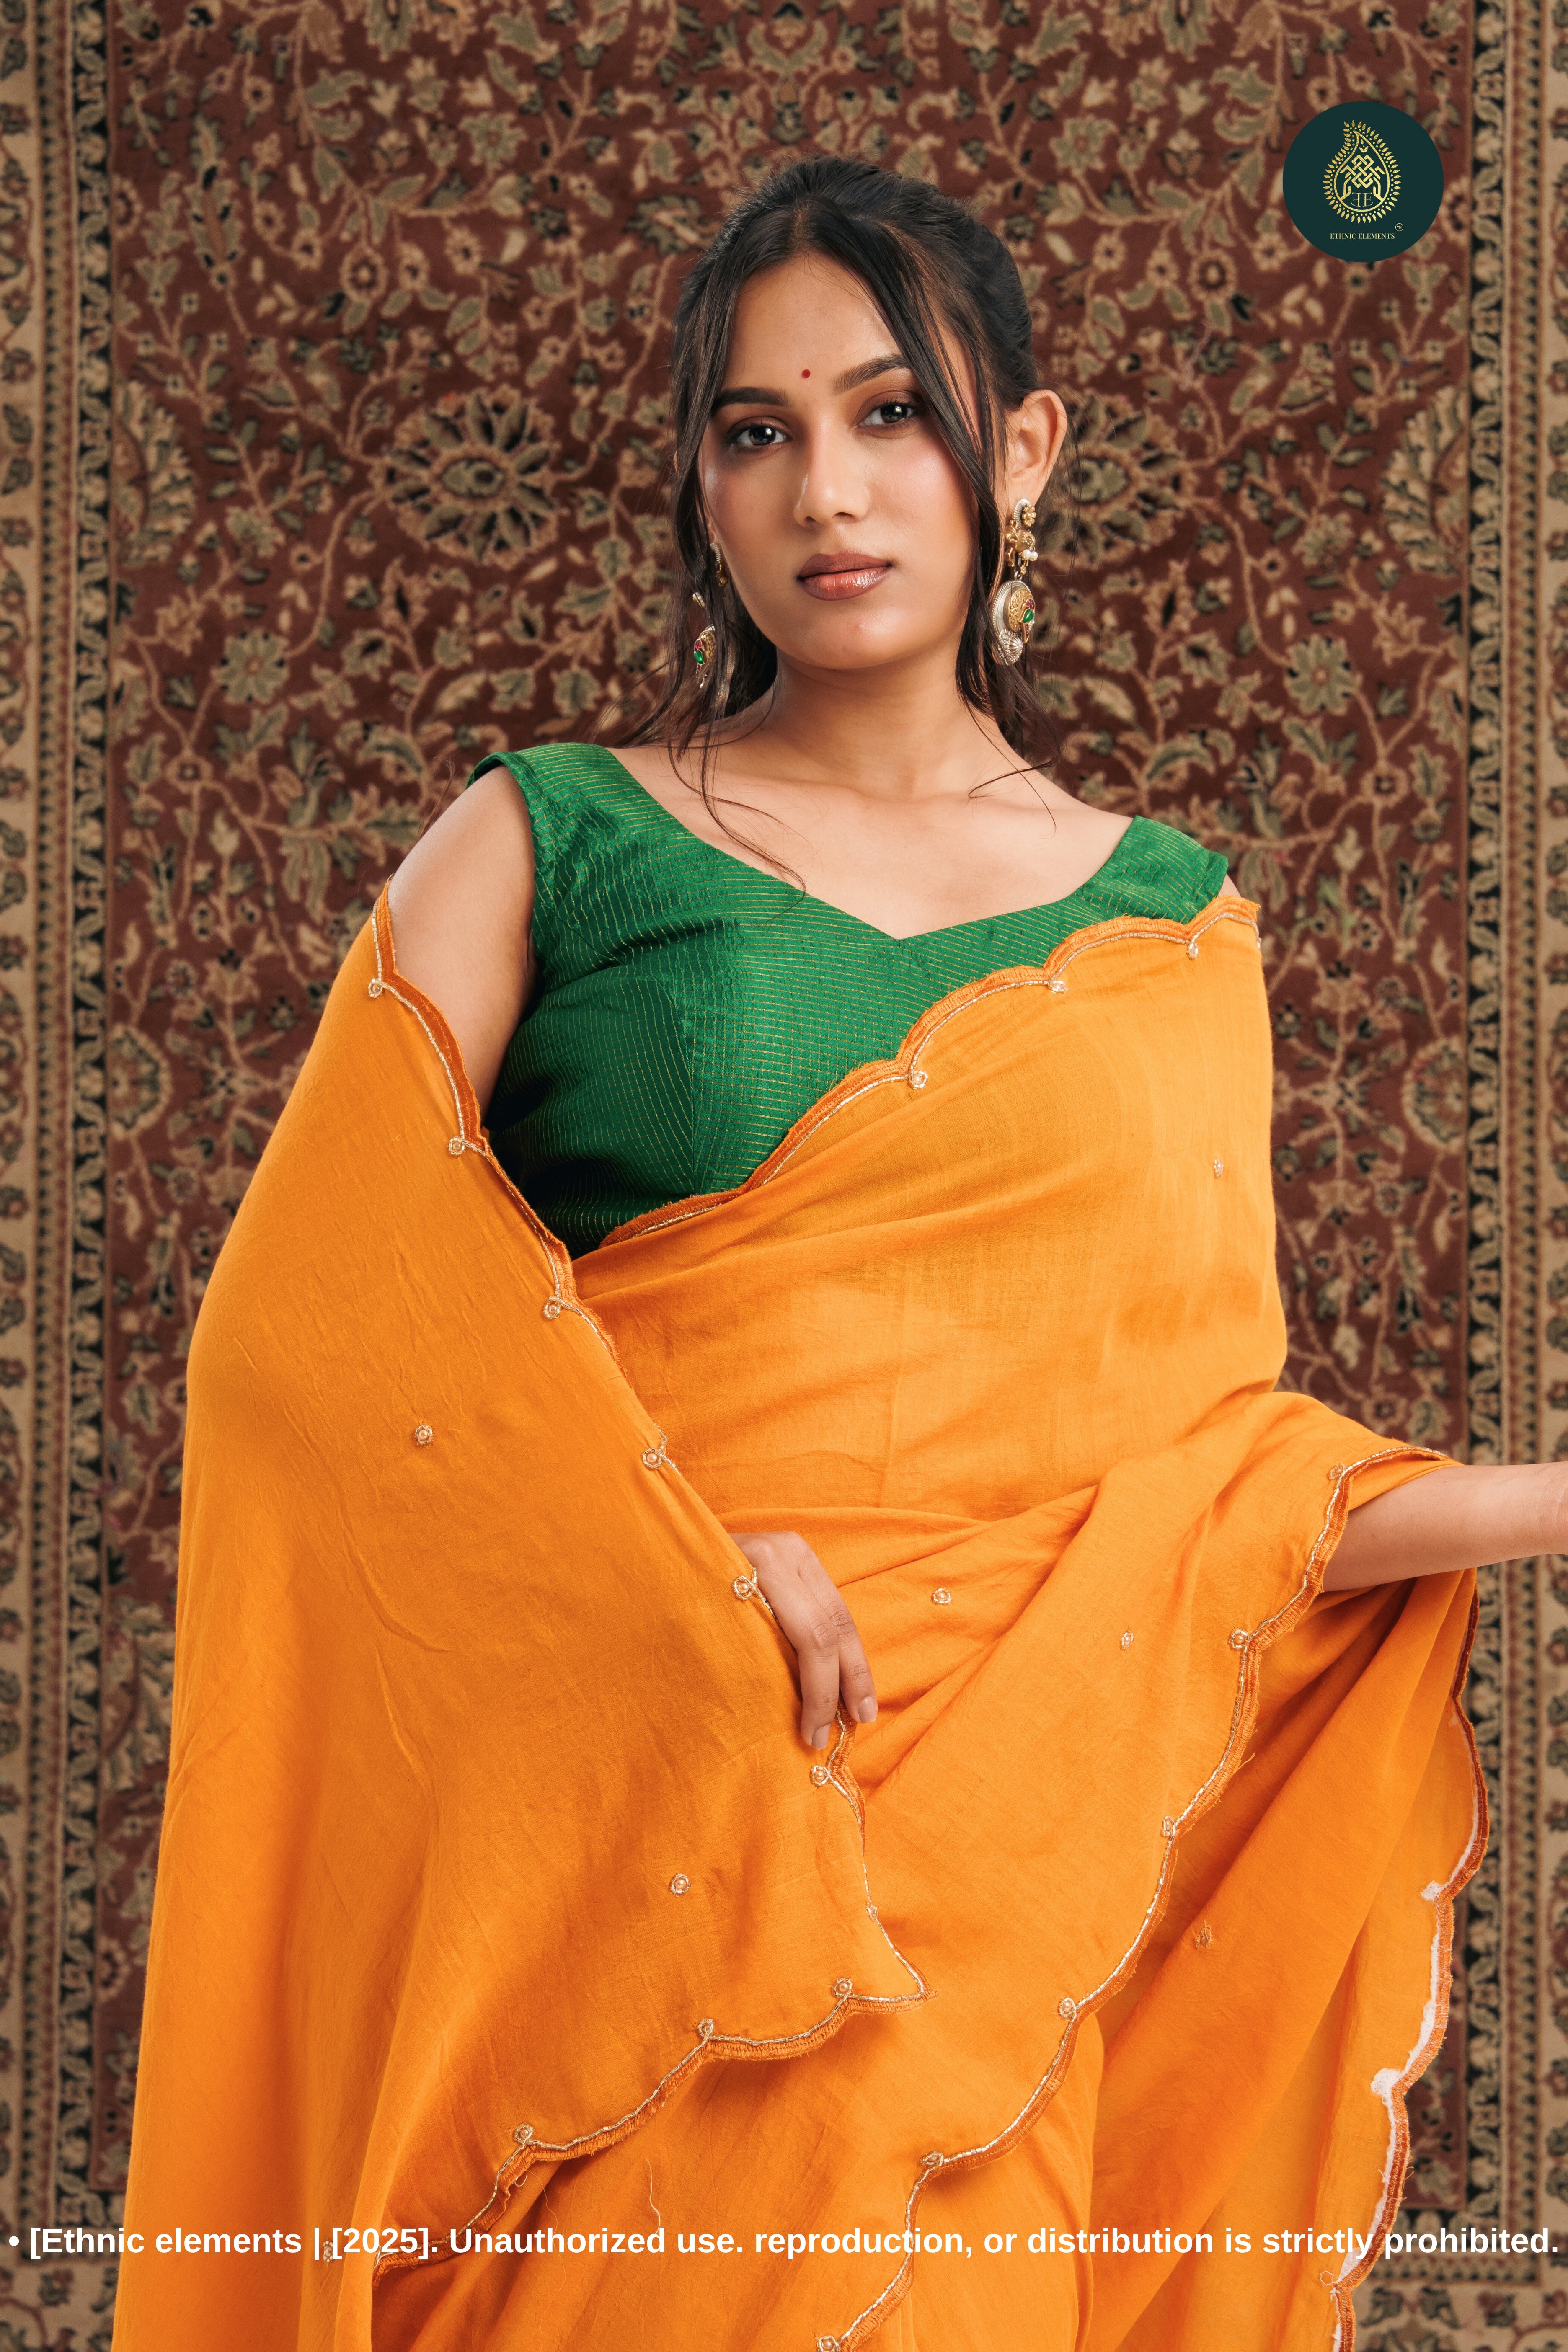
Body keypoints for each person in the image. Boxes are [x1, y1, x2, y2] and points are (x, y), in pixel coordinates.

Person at [111, 157, 1561, 2352]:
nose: (829, 489)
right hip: (656, 1869)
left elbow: (1206, 1497)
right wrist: (671, 1559)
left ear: (1024, 453)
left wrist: (1543, 1503)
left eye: (894, 415)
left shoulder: (1169, 927)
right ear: (702, 487)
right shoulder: (550, 837)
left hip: (988, 1930)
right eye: (756, 431)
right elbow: (311, 1355)